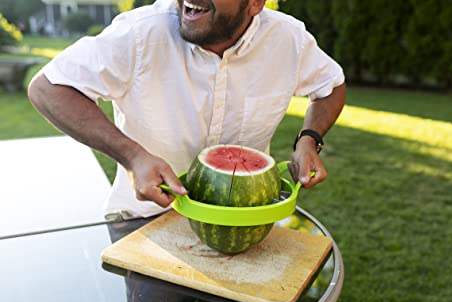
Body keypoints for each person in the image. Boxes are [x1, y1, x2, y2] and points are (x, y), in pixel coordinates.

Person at [28, 0, 346, 220]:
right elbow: (48, 88)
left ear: (255, 3)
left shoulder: (287, 39)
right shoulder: (139, 34)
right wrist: (132, 156)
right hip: (146, 222)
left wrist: (309, 139)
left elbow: (331, 85)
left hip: (244, 218)